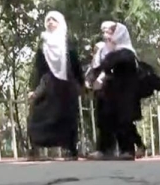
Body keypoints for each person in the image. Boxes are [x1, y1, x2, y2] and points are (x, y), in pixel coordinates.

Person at [27, 11, 83, 161]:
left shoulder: (68, 46)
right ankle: (35, 149)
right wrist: (33, 88)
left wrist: (81, 85)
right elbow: (38, 69)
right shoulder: (43, 47)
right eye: (48, 20)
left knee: (67, 118)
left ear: (60, 23)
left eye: (54, 19)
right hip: (48, 87)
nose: (50, 22)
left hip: (66, 87)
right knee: (39, 115)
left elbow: (76, 67)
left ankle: (70, 150)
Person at [87, 22, 141, 160]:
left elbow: (109, 64)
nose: (108, 35)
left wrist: (110, 52)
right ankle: (104, 150)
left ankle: (128, 150)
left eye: (112, 32)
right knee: (106, 121)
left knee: (124, 122)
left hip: (124, 94)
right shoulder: (111, 51)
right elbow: (100, 67)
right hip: (110, 93)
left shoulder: (127, 52)